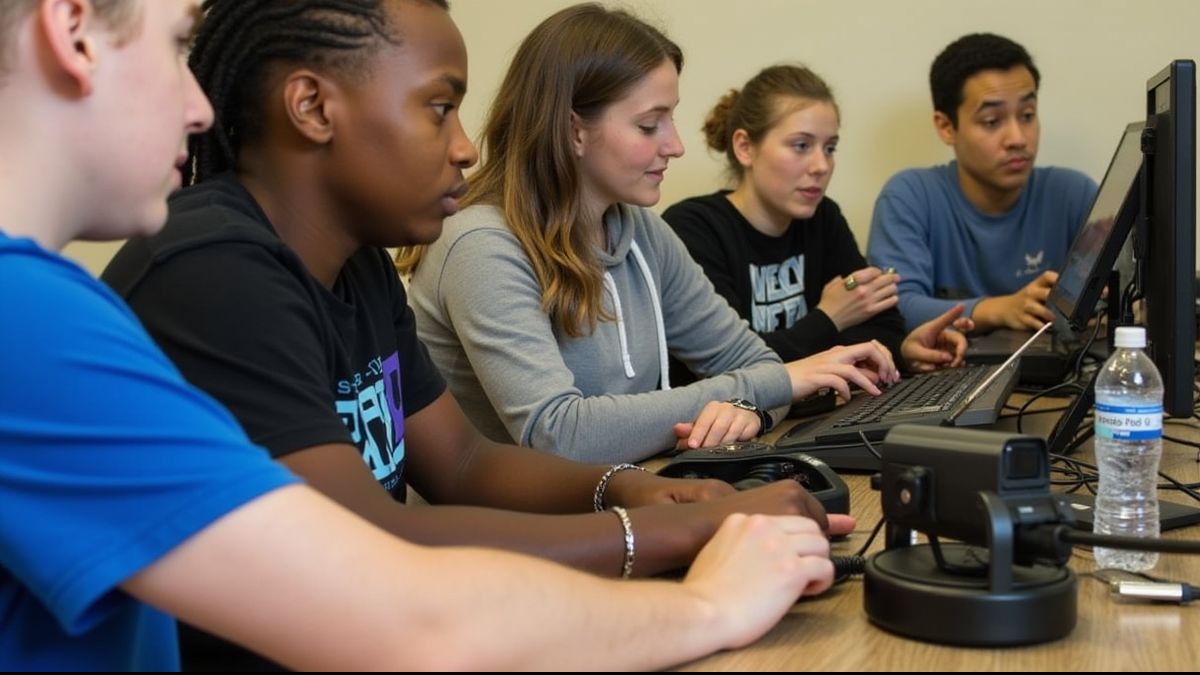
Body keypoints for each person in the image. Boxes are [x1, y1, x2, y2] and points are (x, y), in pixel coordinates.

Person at [3, 0, 842, 670]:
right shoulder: (184, 274)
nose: (196, 106)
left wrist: (629, 489)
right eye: (440, 108)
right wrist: (690, 572)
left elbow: (464, 464)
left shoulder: (355, 262)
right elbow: (387, 584)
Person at [398, 3, 899, 465]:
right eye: (648, 125)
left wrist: (749, 404)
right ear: (573, 130)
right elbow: (558, 434)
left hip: (620, 496)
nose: (676, 146)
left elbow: (752, 364)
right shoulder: (481, 244)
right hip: (495, 537)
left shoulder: (640, 230)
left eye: (671, 119)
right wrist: (767, 388)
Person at [663, 64, 972, 375]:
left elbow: (882, 325)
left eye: (830, 147)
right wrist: (829, 317)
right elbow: (731, 365)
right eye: (801, 146)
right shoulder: (693, 229)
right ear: (745, 147)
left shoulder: (823, 217)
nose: (821, 165)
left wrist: (902, 350)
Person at [866, 33, 1098, 333]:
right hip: (951, 377)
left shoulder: (1072, 194)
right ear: (946, 127)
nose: (1017, 138)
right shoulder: (910, 196)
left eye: (1027, 115)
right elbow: (897, 308)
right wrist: (1002, 309)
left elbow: (1123, 296)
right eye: (992, 121)